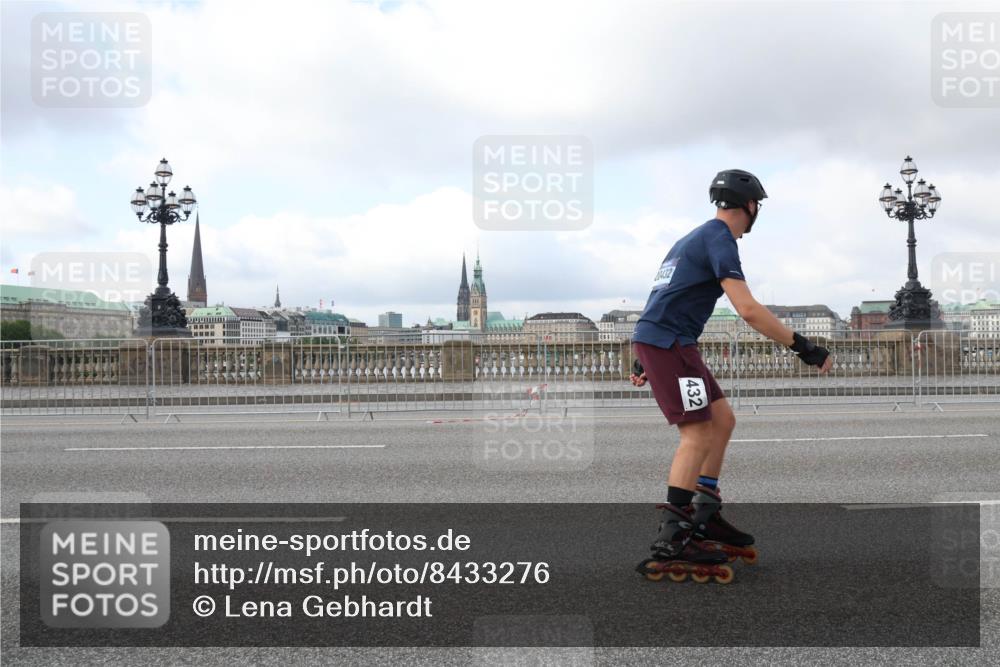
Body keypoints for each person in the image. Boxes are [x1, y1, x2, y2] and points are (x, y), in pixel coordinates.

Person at [632, 169, 833, 582]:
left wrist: (641, 355)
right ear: (752, 206)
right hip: (670, 343)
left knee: (722, 419)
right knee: (697, 433)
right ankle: (674, 534)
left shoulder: (691, 237)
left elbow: (661, 295)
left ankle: (705, 511)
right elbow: (748, 309)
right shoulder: (720, 239)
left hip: (668, 342)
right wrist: (804, 347)